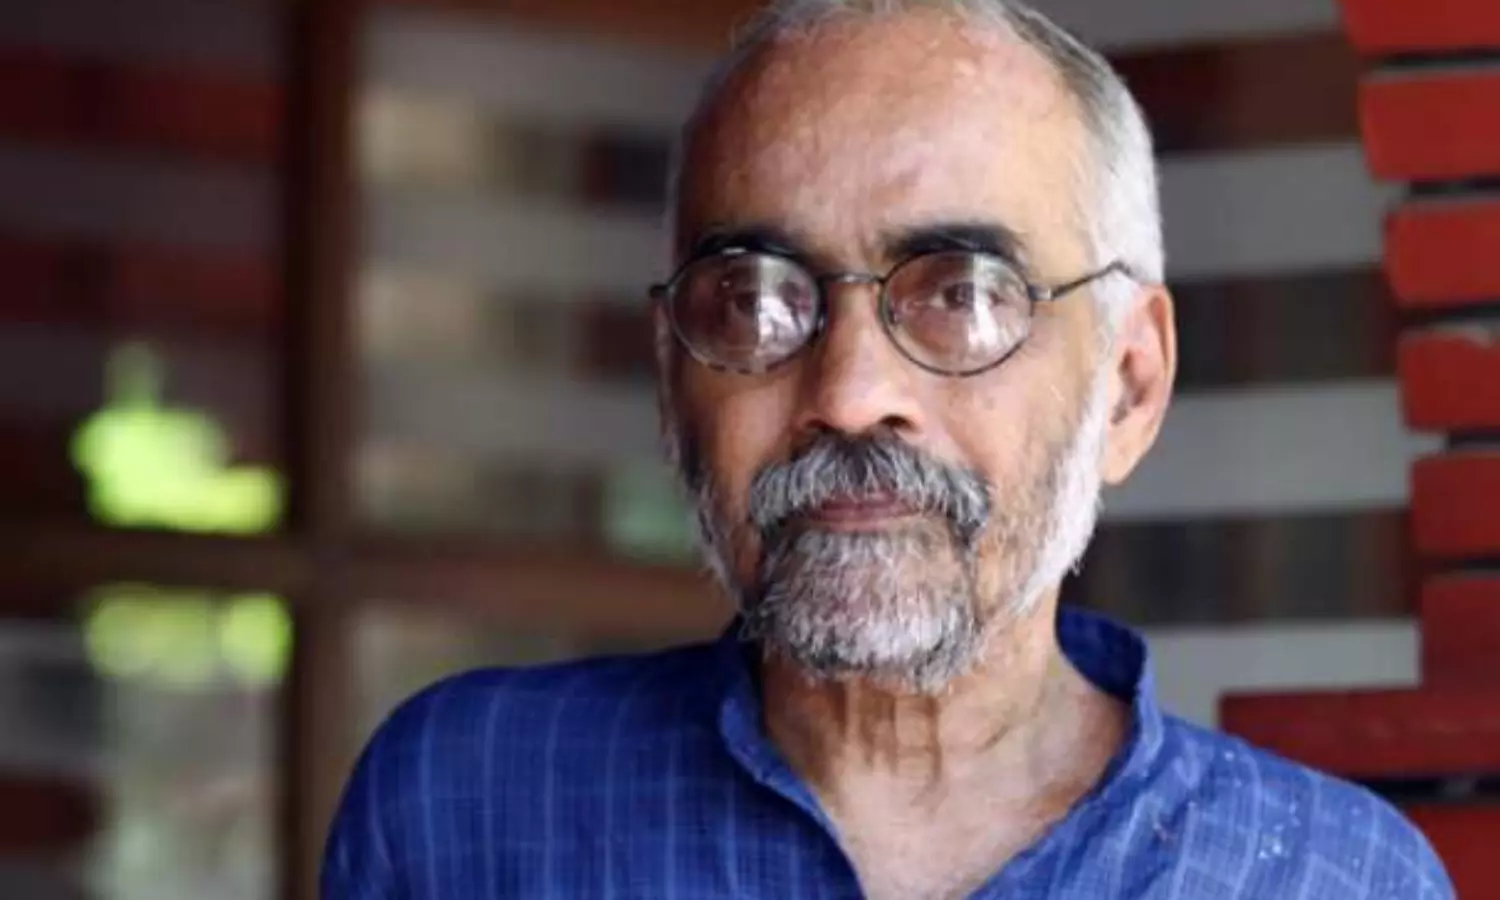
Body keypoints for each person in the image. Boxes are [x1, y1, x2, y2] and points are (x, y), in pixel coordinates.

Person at [323, 1, 1455, 897]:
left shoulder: (1336, 881)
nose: (852, 395)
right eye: (756, 300)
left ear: (1129, 385)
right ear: (673, 379)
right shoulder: (470, 807)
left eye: (963, 294)